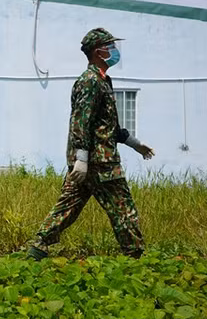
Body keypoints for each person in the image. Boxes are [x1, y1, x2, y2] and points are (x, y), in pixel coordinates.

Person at [27, 27, 155, 260]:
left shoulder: (103, 80)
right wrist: (82, 159)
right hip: (99, 162)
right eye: (111, 47)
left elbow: (106, 125)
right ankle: (135, 258)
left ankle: (36, 249)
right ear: (98, 52)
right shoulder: (90, 81)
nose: (115, 51)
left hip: (93, 159)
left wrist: (135, 144)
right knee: (123, 209)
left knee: (67, 207)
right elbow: (80, 122)